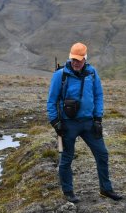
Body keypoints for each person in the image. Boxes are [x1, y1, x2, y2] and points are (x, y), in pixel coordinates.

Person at [47, 42, 122, 203]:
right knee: (66, 158)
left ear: (85, 59)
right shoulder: (61, 75)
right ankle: (68, 192)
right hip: (68, 124)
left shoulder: (92, 73)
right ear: (70, 57)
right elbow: (51, 100)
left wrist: (98, 119)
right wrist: (55, 122)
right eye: (73, 59)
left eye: (79, 60)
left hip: (89, 123)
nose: (76, 62)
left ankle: (106, 189)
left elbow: (98, 96)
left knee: (102, 154)